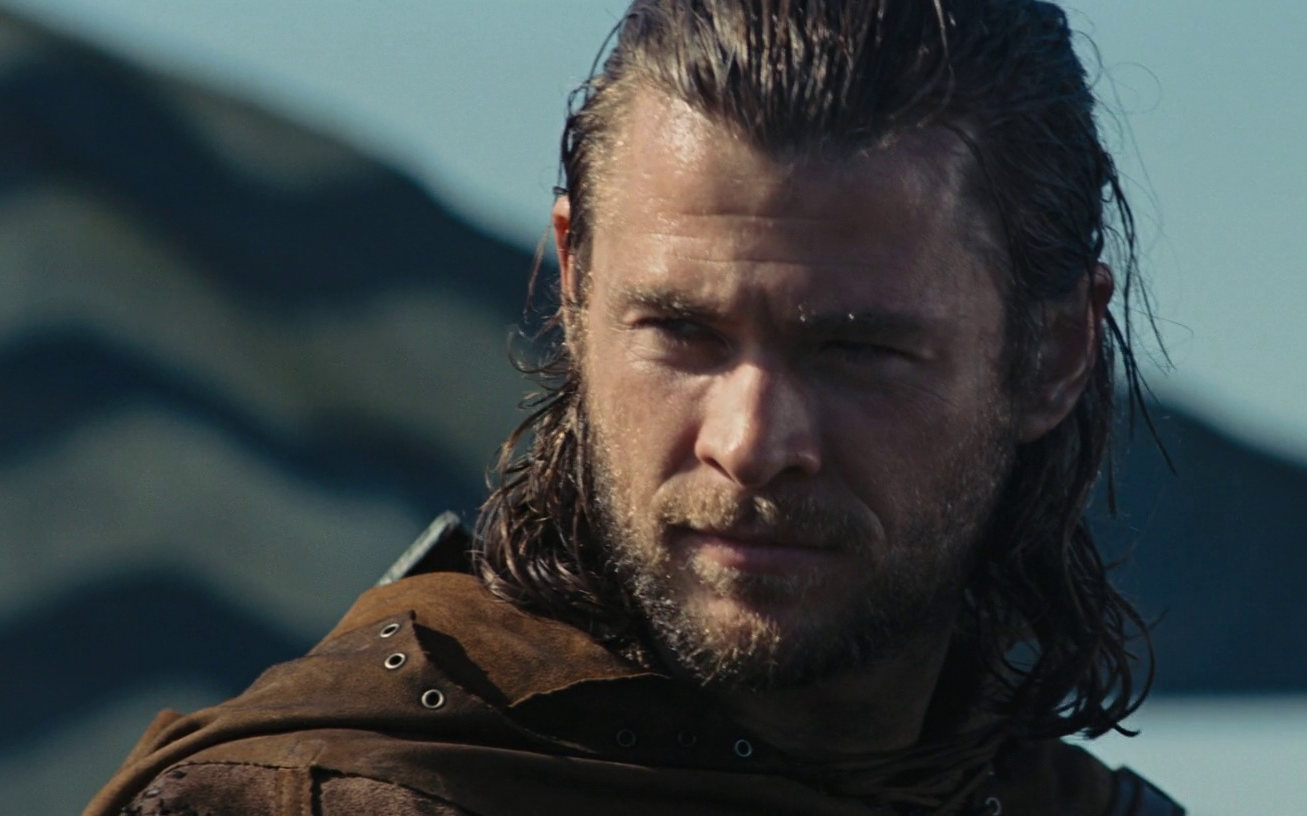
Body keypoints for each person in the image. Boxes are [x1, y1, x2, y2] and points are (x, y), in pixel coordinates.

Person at [87, 0, 1183, 813]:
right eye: (682, 332)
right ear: (574, 285)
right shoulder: (298, 803)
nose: (751, 442)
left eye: (857, 350)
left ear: (1052, 352)